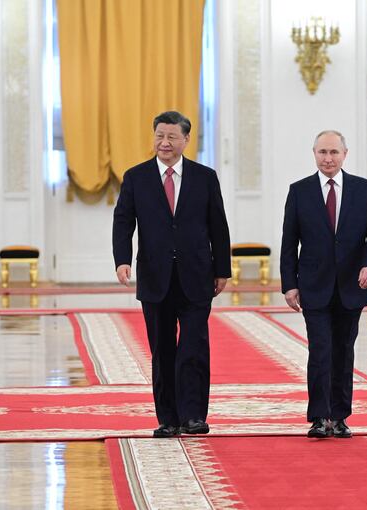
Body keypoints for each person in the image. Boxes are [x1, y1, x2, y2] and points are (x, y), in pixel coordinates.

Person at [113, 111, 231, 438]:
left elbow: (218, 226)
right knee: (163, 350)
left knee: (194, 347)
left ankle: (193, 416)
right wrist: (122, 260)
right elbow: (123, 222)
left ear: (186, 140)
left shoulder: (204, 177)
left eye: (171, 137)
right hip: (155, 276)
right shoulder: (136, 177)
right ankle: (167, 418)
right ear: (153, 138)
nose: (164, 143)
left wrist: (222, 269)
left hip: (197, 275)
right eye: (159, 136)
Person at [280, 130, 367, 438]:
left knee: (344, 350)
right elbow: (290, 241)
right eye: (323, 152)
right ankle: (319, 417)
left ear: (345, 154)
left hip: (352, 285)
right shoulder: (299, 191)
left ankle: (339, 416)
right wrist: (289, 284)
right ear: (314, 154)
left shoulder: (362, 189)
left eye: (334, 153)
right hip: (313, 285)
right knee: (321, 349)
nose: (328, 158)